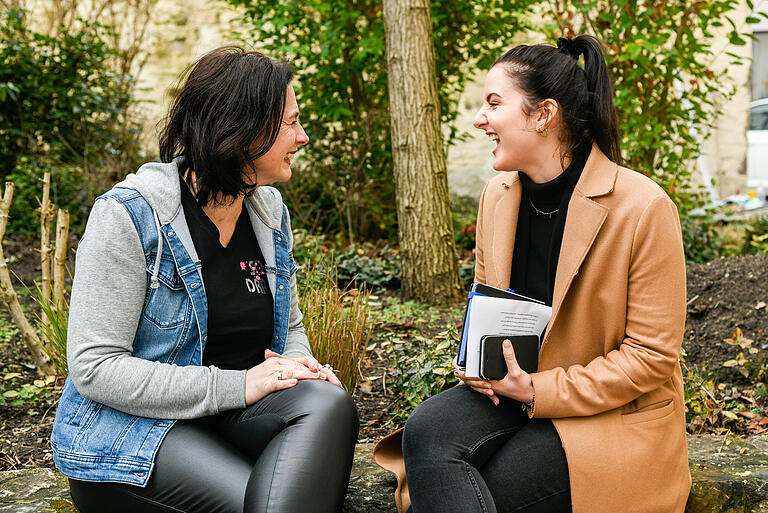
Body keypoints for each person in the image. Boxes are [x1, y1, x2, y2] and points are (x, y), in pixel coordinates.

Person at [374, 35, 690, 513]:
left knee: (492, 487)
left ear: (543, 115)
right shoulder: (497, 196)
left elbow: (650, 358)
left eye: (494, 103)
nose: (481, 119)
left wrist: (539, 390)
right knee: (427, 431)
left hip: (608, 412)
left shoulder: (644, 208)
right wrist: (476, 362)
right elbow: (491, 307)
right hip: (512, 391)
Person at [51, 46, 359, 513]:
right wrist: (237, 387)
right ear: (244, 131)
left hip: (230, 419)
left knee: (330, 403)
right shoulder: (130, 216)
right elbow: (95, 367)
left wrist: (301, 368)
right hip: (136, 436)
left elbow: (289, 327)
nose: (304, 136)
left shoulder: (268, 210)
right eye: (292, 123)